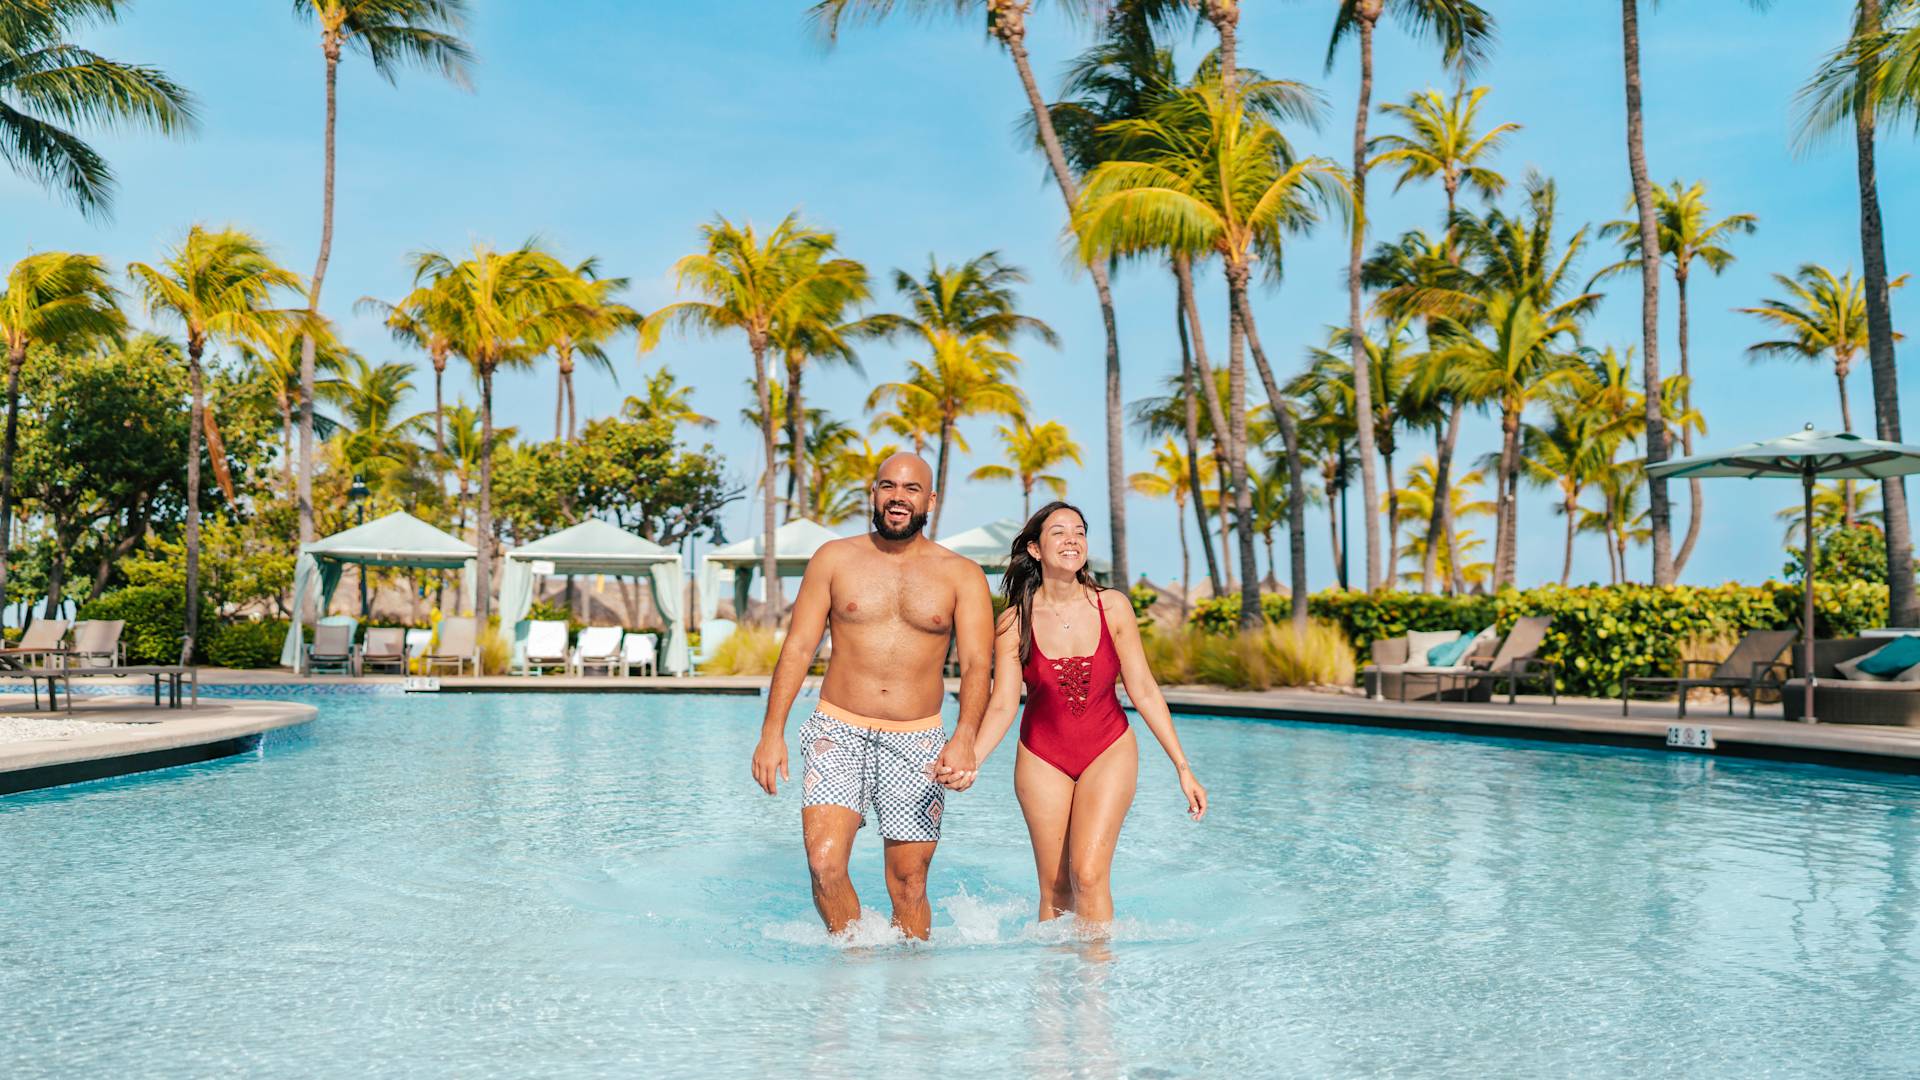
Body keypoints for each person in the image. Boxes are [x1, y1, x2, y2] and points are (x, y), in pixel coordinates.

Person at [751, 452, 993, 940]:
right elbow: (798, 647)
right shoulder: (834, 559)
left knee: (908, 884)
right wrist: (770, 731)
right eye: (888, 486)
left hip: (918, 740)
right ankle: (853, 965)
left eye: (910, 489)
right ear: (874, 493)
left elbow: (976, 666)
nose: (898, 498)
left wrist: (966, 737)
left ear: (930, 499)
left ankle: (906, 994)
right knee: (824, 866)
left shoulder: (961, 574)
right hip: (837, 730)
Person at [950, 501, 1206, 931]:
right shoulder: (1013, 622)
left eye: (1080, 531)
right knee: (1055, 888)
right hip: (1041, 756)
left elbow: (1142, 688)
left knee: (1088, 875)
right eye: (1059, 532)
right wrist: (971, 757)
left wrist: (1183, 767)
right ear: (1034, 549)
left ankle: (1093, 992)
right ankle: (1052, 990)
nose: (1072, 539)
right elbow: (1003, 702)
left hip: (1109, 748)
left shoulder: (1114, 607)